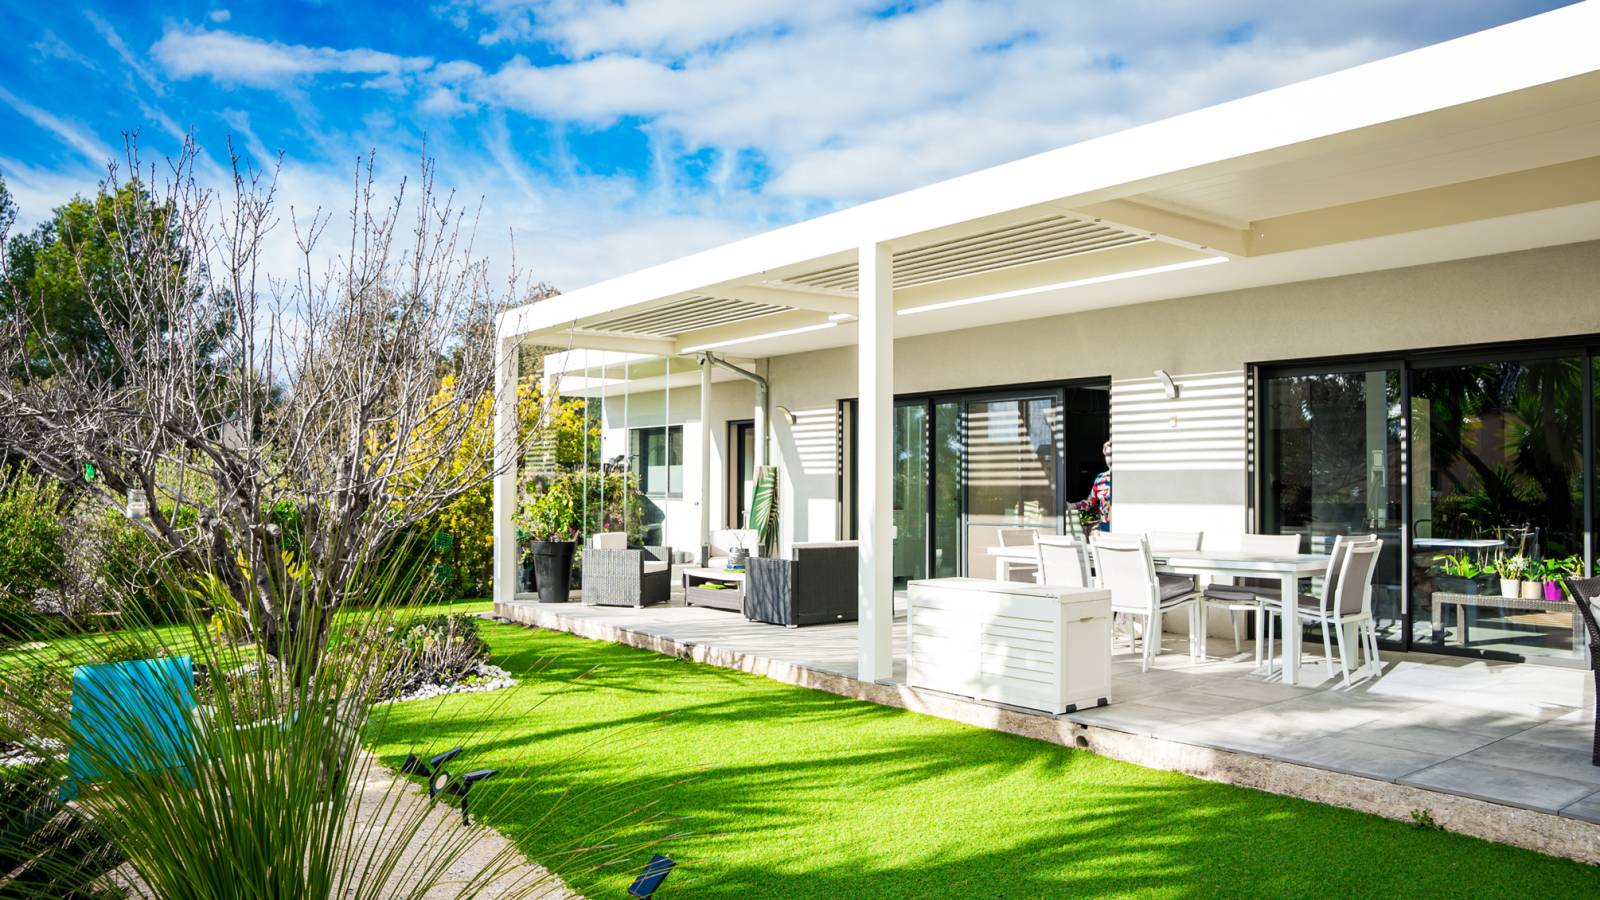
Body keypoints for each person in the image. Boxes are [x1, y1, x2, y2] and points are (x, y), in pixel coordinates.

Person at [1085, 440, 1112, 531]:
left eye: (1113, 454)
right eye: (1108, 455)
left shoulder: (1126, 478)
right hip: (1104, 526)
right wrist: (1072, 506)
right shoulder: (1100, 478)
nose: (1111, 459)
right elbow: (1090, 502)